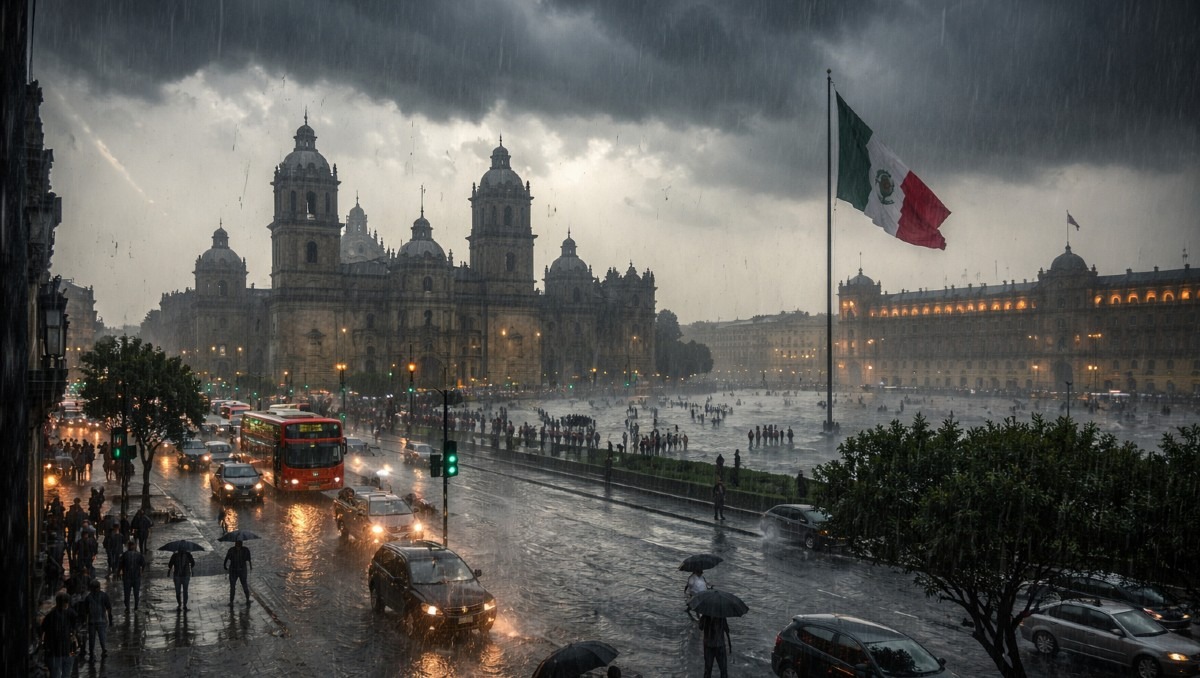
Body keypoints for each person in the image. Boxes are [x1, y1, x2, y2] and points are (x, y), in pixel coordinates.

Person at [40, 591, 79, 678]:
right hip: (65, 650)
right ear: (65, 603)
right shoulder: (70, 613)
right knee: (65, 674)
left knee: (57, 674)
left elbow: (43, 629)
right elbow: (75, 627)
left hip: (56, 651)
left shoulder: (50, 615)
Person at [82, 579, 113, 661]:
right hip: (101, 620)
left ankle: (92, 652)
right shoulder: (103, 596)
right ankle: (102, 650)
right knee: (101, 636)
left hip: (93, 621)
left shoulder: (88, 597)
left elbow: (85, 611)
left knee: (92, 638)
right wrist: (110, 619)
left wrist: (85, 621)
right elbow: (108, 607)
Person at [699, 613, 731, 678]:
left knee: (708, 670)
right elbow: (727, 630)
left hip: (709, 645)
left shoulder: (705, 615)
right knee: (723, 670)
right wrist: (730, 645)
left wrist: (703, 619)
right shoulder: (721, 615)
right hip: (719, 645)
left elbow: (701, 627)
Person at [117, 540, 145, 611]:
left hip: (127, 577)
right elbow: (143, 564)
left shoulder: (125, 555)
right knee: (136, 593)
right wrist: (141, 571)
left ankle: (127, 607)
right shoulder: (139, 555)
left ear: (128, 546)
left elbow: (120, 565)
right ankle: (136, 606)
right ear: (134, 546)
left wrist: (118, 573)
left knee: (127, 593)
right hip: (136, 576)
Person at [224, 538, 253, 605]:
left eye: (238, 545)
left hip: (238, 570)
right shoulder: (242, 550)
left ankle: (245, 600)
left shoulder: (241, 550)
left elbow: (249, 559)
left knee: (241, 585)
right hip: (237, 570)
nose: (238, 547)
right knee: (236, 586)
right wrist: (224, 565)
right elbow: (227, 558)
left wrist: (224, 565)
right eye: (237, 545)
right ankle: (233, 601)